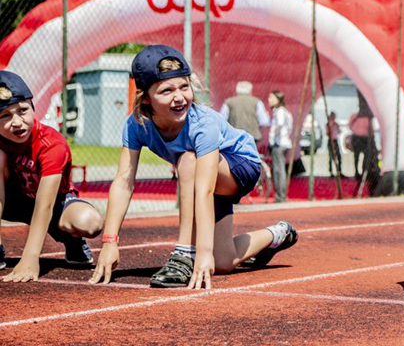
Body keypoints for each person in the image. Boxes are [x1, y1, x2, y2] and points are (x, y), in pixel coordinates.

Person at [89, 45, 297, 289]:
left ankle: (184, 254)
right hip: (203, 172)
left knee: (188, 160)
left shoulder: (202, 124)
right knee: (223, 262)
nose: (179, 97)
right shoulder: (137, 124)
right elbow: (124, 182)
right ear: (145, 98)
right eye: (166, 90)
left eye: (184, 86)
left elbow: (204, 190)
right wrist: (109, 241)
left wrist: (202, 252)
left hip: (241, 165)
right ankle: (278, 234)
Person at [0, 71, 103, 282]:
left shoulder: (51, 143)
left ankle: (73, 240)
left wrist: (30, 257)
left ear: (33, 107)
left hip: (54, 203)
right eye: (5, 116)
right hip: (14, 200)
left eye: (22, 111)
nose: (17, 122)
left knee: (89, 222)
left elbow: (45, 205)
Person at [220, 81, 270, 149]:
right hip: (252, 136)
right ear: (250, 91)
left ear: (237, 91)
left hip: (234, 137)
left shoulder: (228, 102)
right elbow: (264, 122)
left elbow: (222, 120)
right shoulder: (256, 102)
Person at [267, 90, 292, 203]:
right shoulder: (284, 111)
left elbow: (280, 124)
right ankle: (281, 194)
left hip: (279, 144)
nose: (269, 100)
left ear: (278, 99)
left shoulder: (280, 111)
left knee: (278, 170)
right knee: (279, 169)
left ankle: (280, 195)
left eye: (271, 97)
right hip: (284, 142)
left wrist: (273, 135)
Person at [348, 97, 376, 180]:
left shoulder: (368, 117)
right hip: (357, 137)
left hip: (365, 138)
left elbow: (371, 128)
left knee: (366, 156)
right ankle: (356, 172)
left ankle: (364, 172)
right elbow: (350, 125)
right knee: (356, 156)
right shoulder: (355, 116)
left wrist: (372, 137)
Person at [326, 111, 342, 176]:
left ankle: (339, 171)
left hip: (335, 140)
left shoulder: (336, 124)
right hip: (330, 141)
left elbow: (338, 131)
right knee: (331, 157)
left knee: (339, 156)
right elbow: (327, 133)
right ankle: (331, 171)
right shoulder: (328, 124)